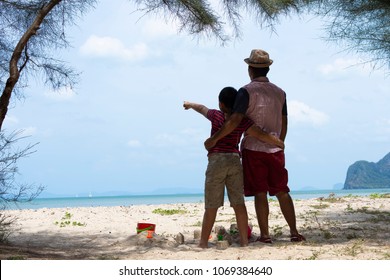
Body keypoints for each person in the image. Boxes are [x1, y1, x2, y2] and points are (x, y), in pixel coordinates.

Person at [204, 50, 306, 243]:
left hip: (253, 148)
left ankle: (266, 235)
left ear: (250, 69)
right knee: (282, 190)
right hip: (276, 149)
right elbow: (284, 120)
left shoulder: (245, 91)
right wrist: (280, 141)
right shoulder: (280, 92)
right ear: (267, 69)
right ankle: (294, 232)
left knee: (260, 191)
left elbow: (235, 119)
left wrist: (215, 139)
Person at [184, 86, 284, 248]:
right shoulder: (243, 120)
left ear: (221, 104)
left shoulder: (216, 115)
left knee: (211, 205)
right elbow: (260, 134)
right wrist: (278, 142)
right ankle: (244, 242)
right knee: (238, 203)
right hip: (234, 161)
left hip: (217, 161)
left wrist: (189, 104)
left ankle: (203, 243)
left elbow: (202, 108)